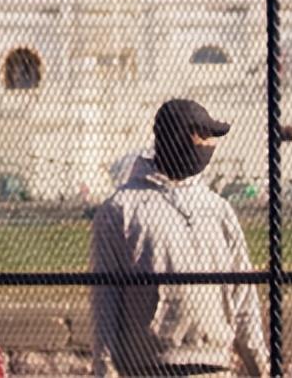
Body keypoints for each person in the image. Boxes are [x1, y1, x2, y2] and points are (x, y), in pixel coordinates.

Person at [90, 99, 268, 377]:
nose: (210, 146)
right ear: (180, 139)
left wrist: (262, 367)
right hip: (147, 367)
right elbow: (106, 303)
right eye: (203, 136)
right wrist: (106, 370)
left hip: (214, 364)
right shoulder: (120, 211)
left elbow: (243, 298)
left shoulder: (218, 211)